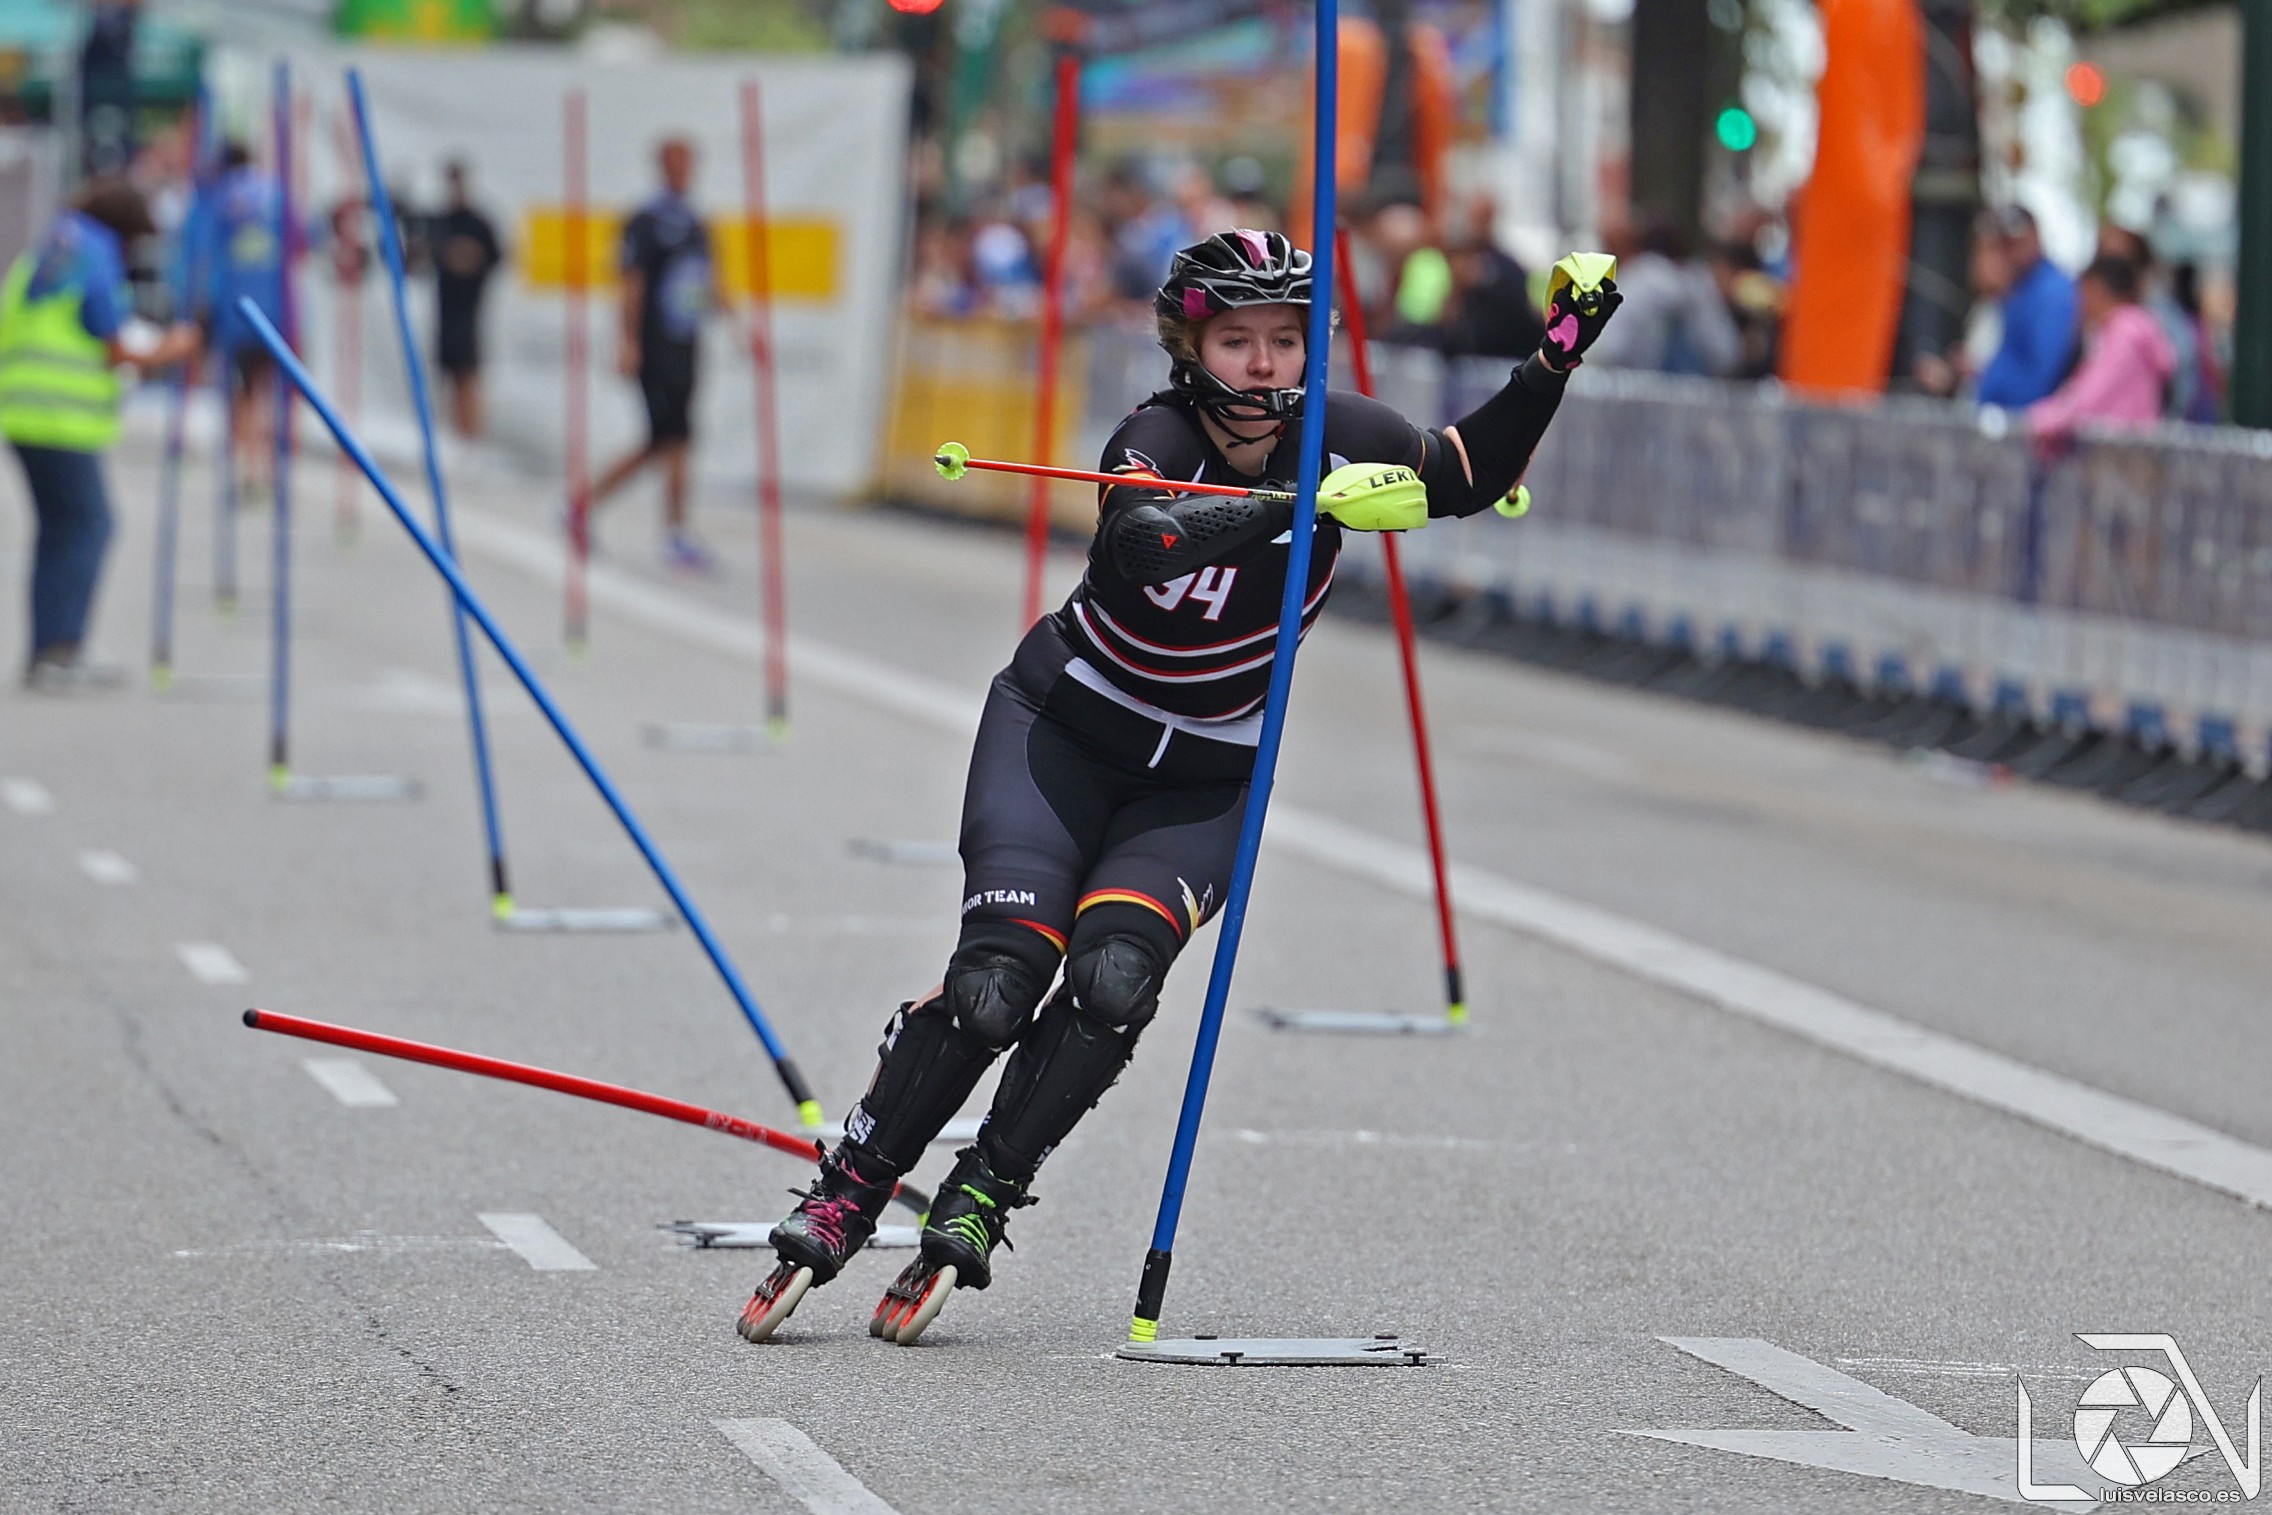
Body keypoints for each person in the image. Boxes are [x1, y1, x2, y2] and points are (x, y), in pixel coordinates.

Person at [735, 229, 1621, 1346]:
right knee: (998, 983)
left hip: (1203, 775)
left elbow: (1467, 475)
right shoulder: (1154, 435)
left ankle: (986, 1188)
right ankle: (854, 1182)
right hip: (1061, 736)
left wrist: (1554, 358)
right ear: (1190, 345)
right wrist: (1299, 505)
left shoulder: (1340, 430)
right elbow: (1138, 548)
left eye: (1286, 339)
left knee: (1113, 977)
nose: (1264, 363)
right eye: (1238, 340)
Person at [4, 178, 198, 687]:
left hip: (22, 411)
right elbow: (114, 347)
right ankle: (61, 651)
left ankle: (47, 650)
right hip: (61, 416)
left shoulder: (49, 248)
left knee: (60, 530)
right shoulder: (96, 254)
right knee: (89, 525)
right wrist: (173, 348)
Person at [584, 137, 720, 574]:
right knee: (664, 439)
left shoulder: (696, 223)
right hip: (656, 344)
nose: (684, 171)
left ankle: (674, 530)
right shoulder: (646, 222)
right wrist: (628, 340)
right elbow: (632, 282)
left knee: (677, 439)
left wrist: (739, 323)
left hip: (686, 343)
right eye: (676, 163)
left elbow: (708, 282)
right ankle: (587, 506)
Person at [179, 142, 285, 500]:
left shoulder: (217, 195)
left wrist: (196, 302)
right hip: (277, 307)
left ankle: (248, 469)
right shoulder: (276, 193)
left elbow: (199, 251)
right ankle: (263, 468)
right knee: (265, 390)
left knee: (239, 392)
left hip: (235, 308)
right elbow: (303, 240)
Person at [2026, 254, 2174, 444]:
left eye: (2082, 293)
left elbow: (2093, 394)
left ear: (2096, 290)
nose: (2077, 303)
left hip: (2123, 449)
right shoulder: (2125, 330)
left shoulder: (2125, 333)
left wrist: (2041, 419)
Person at [426, 159, 502, 440]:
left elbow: (494, 258)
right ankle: (457, 437)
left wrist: (468, 258)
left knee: (468, 375)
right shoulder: (441, 222)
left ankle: (471, 435)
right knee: (448, 375)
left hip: (469, 310)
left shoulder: (478, 223)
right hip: (445, 309)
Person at [1974, 206, 2076, 410]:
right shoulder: (2019, 288)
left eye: (2017, 241)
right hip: (2000, 415)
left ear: (2035, 235)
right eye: (2005, 242)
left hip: (2025, 420)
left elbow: (2043, 377)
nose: (2011, 250)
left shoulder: (2053, 291)